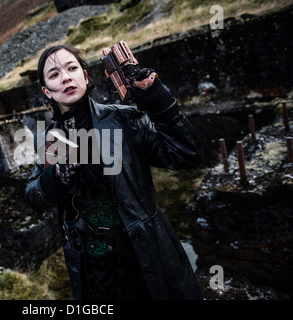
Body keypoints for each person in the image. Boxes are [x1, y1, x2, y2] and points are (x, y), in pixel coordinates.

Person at [25, 44, 203, 300]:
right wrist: (55, 178)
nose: (66, 77)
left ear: (85, 76)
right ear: (47, 91)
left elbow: (186, 154)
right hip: (91, 269)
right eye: (54, 75)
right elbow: (33, 195)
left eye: (72, 68)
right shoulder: (50, 140)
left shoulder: (124, 120)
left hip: (144, 257)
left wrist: (156, 99)